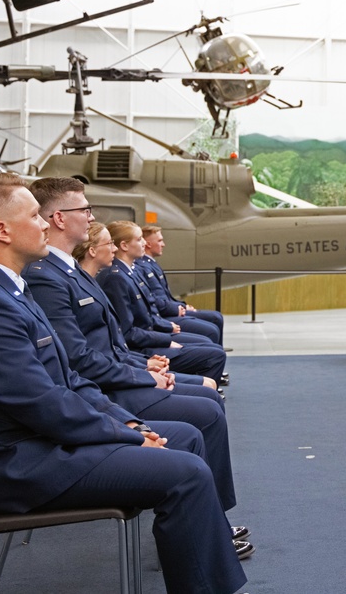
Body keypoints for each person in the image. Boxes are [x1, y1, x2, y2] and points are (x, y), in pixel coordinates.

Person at [0, 173, 248, 594]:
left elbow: (70, 378)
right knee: (186, 470)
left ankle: (199, 559)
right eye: (34, 216)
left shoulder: (10, 290)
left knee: (184, 438)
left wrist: (130, 426)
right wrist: (125, 433)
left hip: (46, 441)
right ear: (2, 230)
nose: (45, 223)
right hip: (22, 463)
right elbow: (43, 403)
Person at [21, 178, 249, 549]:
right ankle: (210, 526)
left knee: (207, 403)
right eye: (85, 210)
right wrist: (139, 376)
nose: (92, 217)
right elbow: (76, 359)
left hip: (112, 381)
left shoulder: (70, 273)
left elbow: (109, 341)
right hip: (106, 391)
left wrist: (145, 367)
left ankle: (210, 522)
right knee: (205, 413)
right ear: (61, 218)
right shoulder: (46, 278)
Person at [97, 221, 228, 384]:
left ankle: (203, 387)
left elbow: (149, 312)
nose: (144, 242)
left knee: (211, 344)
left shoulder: (127, 272)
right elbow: (128, 332)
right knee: (214, 352)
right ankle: (202, 388)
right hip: (142, 348)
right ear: (124, 245)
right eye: (139, 239)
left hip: (151, 335)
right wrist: (165, 339)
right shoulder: (116, 277)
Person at [139, 225, 225, 346]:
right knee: (212, 327)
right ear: (148, 244)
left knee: (216, 318)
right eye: (159, 241)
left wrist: (181, 305)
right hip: (164, 316)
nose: (163, 244)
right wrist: (178, 308)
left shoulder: (150, 264)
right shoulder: (143, 267)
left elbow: (165, 297)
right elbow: (156, 301)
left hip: (168, 311)